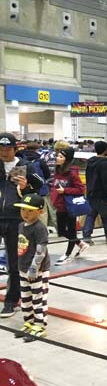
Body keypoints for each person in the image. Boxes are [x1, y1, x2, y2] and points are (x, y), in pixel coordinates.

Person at [0, 133, 45, 319]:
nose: (3, 152)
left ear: (15, 149)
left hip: (15, 219)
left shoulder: (26, 166)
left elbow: (41, 186)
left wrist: (25, 187)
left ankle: (12, 301)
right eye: (1, 149)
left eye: (7, 149)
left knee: (13, 262)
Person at [13, 194, 50, 341]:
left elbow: (41, 249)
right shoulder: (21, 226)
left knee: (38, 297)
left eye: (30, 211)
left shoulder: (39, 228)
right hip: (23, 267)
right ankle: (29, 321)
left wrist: (34, 268)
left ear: (40, 212)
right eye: (23, 210)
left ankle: (40, 324)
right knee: (26, 297)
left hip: (38, 270)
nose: (25, 214)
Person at [51, 147, 88, 264]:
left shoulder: (72, 173)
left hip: (69, 206)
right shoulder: (57, 170)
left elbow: (81, 189)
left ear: (67, 159)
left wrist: (65, 190)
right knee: (61, 231)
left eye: (61, 157)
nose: (57, 158)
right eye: (58, 156)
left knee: (71, 231)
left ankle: (68, 254)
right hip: (59, 205)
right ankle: (80, 243)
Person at [82, 141, 107, 244]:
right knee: (106, 216)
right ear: (105, 150)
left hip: (91, 193)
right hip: (103, 195)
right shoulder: (104, 163)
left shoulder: (90, 162)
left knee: (91, 215)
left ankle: (86, 236)